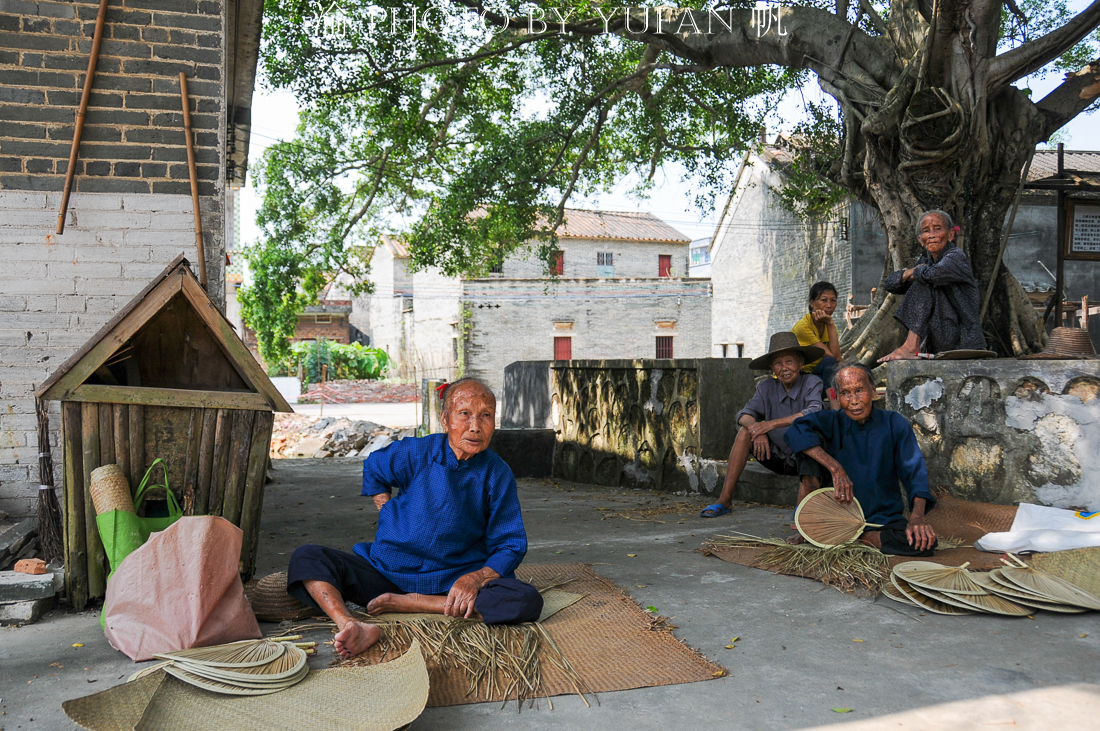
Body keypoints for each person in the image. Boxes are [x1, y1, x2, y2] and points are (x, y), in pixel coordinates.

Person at [286, 377, 543, 659]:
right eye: (464, 414)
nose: (475, 426)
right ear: (445, 420)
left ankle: (417, 603)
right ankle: (349, 623)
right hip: (388, 571)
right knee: (308, 557)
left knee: (525, 600)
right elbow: (374, 465)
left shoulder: (497, 473)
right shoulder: (418, 452)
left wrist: (475, 579)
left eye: (486, 416)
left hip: (453, 580)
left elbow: (509, 544)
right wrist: (385, 508)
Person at [784, 363, 938, 554]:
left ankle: (857, 538)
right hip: (836, 517)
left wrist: (917, 518)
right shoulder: (831, 421)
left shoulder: (894, 423)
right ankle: (814, 525)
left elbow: (914, 473)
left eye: (859, 391)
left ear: (873, 391)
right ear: (837, 397)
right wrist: (835, 468)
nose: (854, 401)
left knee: (922, 543)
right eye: (846, 393)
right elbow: (796, 430)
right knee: (807, 446)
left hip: (881, 520)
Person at [700, 332, 824, 518]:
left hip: (805, 460)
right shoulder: (766, 387)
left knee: (810, 438)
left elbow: (814, 412)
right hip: (776, 457)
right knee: (744, 432)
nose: (784, 368)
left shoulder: (812, 382)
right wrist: (756, 431)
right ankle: (724, 500)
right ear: (772, 368)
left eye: (789, 361)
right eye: (778, 363)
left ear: (800, 363)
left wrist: (770, 425)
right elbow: (743, 414)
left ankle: (802, 509)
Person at [878, 210, 985, 362]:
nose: (932, 235)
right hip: (939, 340)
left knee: (924, 282)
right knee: (923, 279)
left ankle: (910, 346)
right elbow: (890, 284)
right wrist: (913, 271)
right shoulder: (925, 263)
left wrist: (912, 272)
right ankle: (911, 346)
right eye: (926, 231)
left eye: (938, 229)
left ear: (950, 235)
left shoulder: (956, 256)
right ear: (921, 240)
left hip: (962, 338)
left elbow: (931, 275)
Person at [791, 281, 841, 391]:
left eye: (833, 300)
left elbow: (838, 358)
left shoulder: (829, 325)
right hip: (798, 377)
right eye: (824, 300)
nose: (829, 305)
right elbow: (834, 358)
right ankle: (833, 401)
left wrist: (830, 325)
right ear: (812, 303)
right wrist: (830, 324)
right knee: (830, 362)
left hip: (818, 374)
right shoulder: (803, 327)